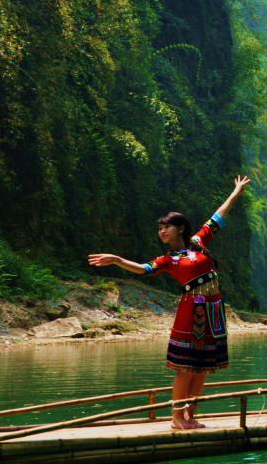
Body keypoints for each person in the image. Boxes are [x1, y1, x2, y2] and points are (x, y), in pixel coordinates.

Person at [88, 175, 250, 430]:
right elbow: (143, 268)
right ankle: (176, 418)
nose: (162, 231)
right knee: (185, 368)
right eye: (160, 228)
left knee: (202, 369)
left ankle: (191, 415)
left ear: (181, 228)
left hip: (213, 310)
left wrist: (236, 192)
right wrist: (117, 259)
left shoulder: (198, 242)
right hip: (192, 310)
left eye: (167, 226)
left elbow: (217, 217)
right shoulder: (168, 260)